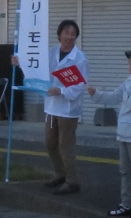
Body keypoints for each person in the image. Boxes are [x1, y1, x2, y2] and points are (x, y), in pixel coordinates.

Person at [12, 19, 89, 195]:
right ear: (59, 34)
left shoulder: (80, 58)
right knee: (50, 143)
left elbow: (80, 85)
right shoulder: (52, 52)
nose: (69, 36)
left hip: (68, 109)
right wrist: (21, 62)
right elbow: (37, 68)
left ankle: (72, 181)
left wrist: (61, 90)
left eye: (73, 34)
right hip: (51, 107)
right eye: (66, 32)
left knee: (65, 145)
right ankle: (60, 174)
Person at [87, 46, 131, 218]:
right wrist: (97, 94)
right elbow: (114, 96)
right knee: (124, 170)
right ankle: (126, 204)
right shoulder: (128, 81)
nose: (129, 63)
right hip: (123, 132)